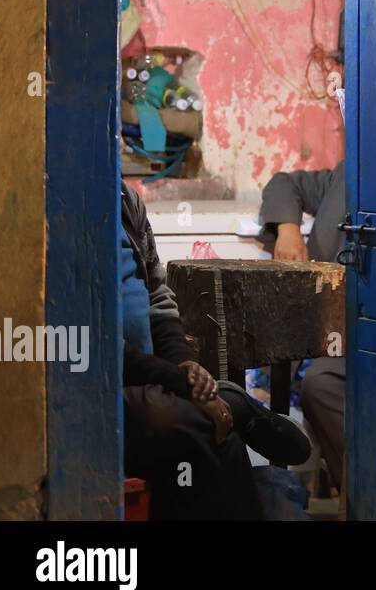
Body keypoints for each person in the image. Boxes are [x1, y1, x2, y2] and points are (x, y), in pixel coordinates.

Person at [121, 179, 310, 519]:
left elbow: (158, 301)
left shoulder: (125, 200)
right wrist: (182, 381)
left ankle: (231, 405)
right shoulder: (62, 210)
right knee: (201, 426)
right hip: (99, 386)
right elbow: (93, 347)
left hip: (150, 377)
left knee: (217, 424)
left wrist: (186, 365)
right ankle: (241, 408)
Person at [259, 160, 347, 492]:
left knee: (320, 384)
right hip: (322, 331)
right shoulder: (346, 172)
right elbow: (283, 183)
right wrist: (288, 229)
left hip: (365, 336)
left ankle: (362, 491)